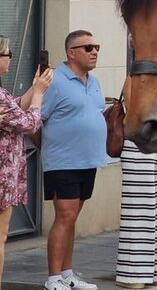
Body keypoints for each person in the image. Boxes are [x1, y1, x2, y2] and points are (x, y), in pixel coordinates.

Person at [41, 30, 107, 290]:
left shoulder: (95, 81)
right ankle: (53, 278)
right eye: (88, 47)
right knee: (64, 217)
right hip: (63, 161)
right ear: (71, 52)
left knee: (72, 220)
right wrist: (48, 147)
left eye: (96, 47)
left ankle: (67, 274)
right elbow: (37, 118)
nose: (94, 52)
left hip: (89, 160)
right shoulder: (54, 80)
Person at [0, 36, 49, 280]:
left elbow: (16, 107)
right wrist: (39, 94)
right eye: (7, 53)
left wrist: (34, 87)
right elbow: (29, 123)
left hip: (4, 173)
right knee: (0, 236)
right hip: (2, 175)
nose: (10, 58)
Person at [115, 77, 157, 289]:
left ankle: (156, 270)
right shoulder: (135, 76)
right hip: (138, 141)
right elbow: (134, 106)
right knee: (139, 209)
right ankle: (132, 274)